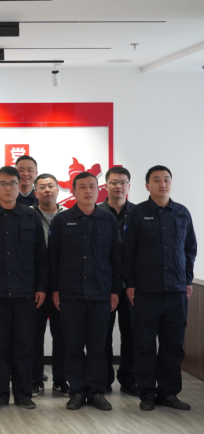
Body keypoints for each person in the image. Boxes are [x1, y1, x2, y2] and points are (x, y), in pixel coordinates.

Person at [0, 166, 48, 410]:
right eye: (3, 184)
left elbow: (40, 256)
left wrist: (41, 287)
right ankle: (0, 395)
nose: (8, 188)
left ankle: (23, 394)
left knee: (24, 347)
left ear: (20, 186)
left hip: (25, 293)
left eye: (12, 183)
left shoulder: (31, 216)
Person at [123, 165, 197, 411]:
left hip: (176, 292)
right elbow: (128, 251)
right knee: (144, 345)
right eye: (156, 180)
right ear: (147, 186)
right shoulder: (137, 213)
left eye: (166, 179)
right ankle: (146, 393)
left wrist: (187, 280)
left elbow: (190, 249)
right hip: (146, 291)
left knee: (172, 346)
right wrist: (130, 283)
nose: (162, 184)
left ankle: (168, 393)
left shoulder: (182, 213)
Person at [48, 172, 121, 411]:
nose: (88, 190)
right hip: (70, 294)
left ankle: (96, 392)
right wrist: (55, 289)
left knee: (98, 347)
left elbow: (116, 258)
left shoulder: (108, 220)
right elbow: (53, 258)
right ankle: (77, 392)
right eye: (82, 187)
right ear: (74, 191)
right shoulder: (62, 220)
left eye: (92, 186)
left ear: (98, 190)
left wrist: (114, 290)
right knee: (74, 347)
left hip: (101, 294)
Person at [98, 166, 137, 395]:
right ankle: (103, 379)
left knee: (132, 334)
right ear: (106, 186)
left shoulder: (138, 213)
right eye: (113, 182)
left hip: (132, 285)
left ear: (128, 186)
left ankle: (129, 378)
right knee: (102, 334)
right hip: (103, 284)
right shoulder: (96, 212)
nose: (118, 186)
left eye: (123, 182)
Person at [30, 173, 69, 397]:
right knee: (33, 334)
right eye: (42, 187)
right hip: (33, 284)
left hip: (63, 285)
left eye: (51, 186)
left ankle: (61, 380)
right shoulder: (27, 215)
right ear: (35, 192)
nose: (47, 190)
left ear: (58, 190)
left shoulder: (69, 215)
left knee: (62, 334)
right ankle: (35, 379)